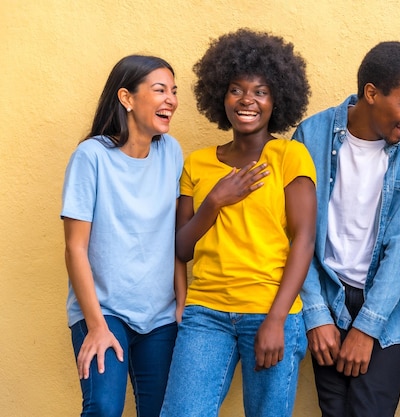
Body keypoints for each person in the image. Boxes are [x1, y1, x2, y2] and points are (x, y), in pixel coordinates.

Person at [159, 29, 316, 417]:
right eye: (236, 89)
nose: (247, 100)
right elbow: (181, 249)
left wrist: (277, 319)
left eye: (260, 91)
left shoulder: (289, 156)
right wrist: (214, 201)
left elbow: (304, 241)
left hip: (270, 310)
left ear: (277, 99)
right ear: (220, 96)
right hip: (205, 313)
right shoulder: (196, 164)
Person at [292, 41, 400, 417]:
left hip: (389, 307)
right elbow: (295, 234)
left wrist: (367, 328)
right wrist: (315, 312)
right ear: (371, 93)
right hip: (327, 296)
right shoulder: (312, 136)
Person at [61, 54, 184, 417]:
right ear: (127, 98)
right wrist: (96, 326)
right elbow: (75, 248)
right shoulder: (91, 157)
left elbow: (174, 235)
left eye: (173, 92)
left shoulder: (171, 153)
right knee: (103, 407)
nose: (171, 100)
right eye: (159, 90)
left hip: (159, 315)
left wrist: (181, 301)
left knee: (162, 411)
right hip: (105, 310)